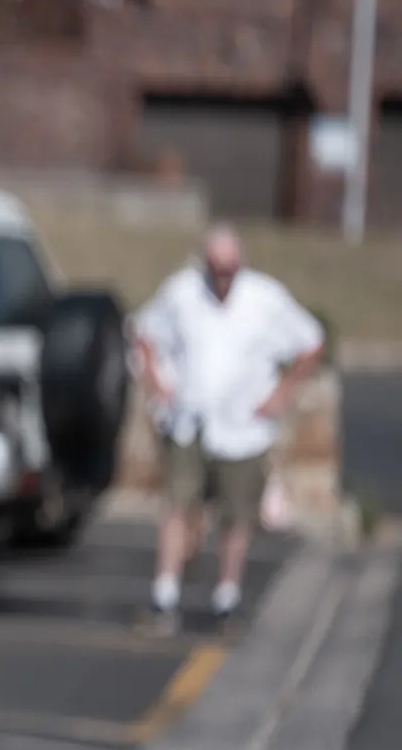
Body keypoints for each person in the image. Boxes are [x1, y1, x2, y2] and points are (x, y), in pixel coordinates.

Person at [133, 224, 323, 633]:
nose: (222, 278)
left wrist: (282, 394)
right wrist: (157, 384)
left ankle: (227, 598)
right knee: (177, 506)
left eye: (229, 270)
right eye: (216, 269)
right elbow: (144, 332)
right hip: (190, 422)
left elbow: (311, 342)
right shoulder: (182, 293)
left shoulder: (265, 299)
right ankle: (164, 596)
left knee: (237, 517)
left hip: (243, 428)